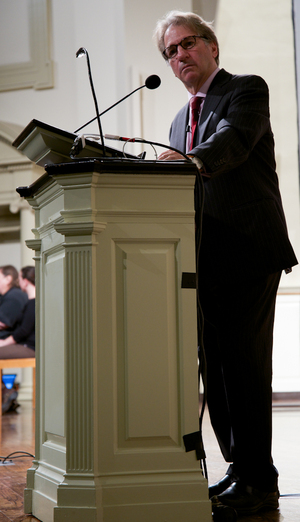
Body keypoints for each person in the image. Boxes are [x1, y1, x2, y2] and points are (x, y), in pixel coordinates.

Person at [153, 11, 298, 516]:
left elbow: (233, 142)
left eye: (187, 44)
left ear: (212, 46)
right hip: (202, 260)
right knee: (216, 375)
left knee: (246, 368)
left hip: (247, 249)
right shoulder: (177, 120)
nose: (179, 56)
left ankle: (260, 481)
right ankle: (238, 469)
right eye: (170, 52)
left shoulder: (245, 90)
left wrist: (191, 160)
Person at [0, 266, 35, 357]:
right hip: (25, 344)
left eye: (20, 279)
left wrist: (4, 343)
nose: (18, 282)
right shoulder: (30, 302)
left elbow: (23, 331)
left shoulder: (33, 303)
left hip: (29, 346)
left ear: (26, 282)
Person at [0, 265, 28, 340]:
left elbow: (2, 323)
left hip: (7, 340)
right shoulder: (9, 295)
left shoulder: (14, 296)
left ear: (8, 279)